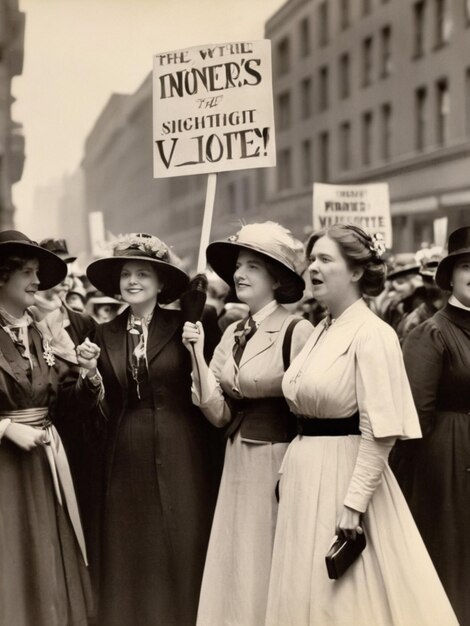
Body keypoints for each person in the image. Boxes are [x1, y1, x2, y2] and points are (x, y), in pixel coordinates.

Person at [265, 224, 458, 626]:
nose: (313, 268)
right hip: (305, 476)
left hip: (345, 476)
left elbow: (381, 430)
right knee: (305, 592)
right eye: (311, 260)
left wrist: (354, 504)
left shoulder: (374, 334)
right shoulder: (321, 329)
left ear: (355, 272)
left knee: (347, 598)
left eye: (325, 260)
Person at [78, 232, 221, 626]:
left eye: (143, 273)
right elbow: (95, 409)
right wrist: (89, 375)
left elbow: (210, 390)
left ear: (161, 283)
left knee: (180, 540)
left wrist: (197, 344)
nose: (133, 281)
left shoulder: (189, 323)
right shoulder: (102, 334)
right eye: (126, 273)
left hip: (181, 447)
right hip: (124, 453)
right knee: (129, 548)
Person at [183, 222, 313, 626]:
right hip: (237, 458)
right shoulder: (232, 331)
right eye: (239, 266)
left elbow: (307, 405)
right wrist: (195, 354)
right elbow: (218, 411)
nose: (239, 274)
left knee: (270, 552)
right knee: (239, 555)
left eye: (253, 266)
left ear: (276, 279)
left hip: (279, 459)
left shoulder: (296, 329)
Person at [0, 230, 101, 626]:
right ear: (1, 277)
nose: (37, 282)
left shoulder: (42, 331)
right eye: (26, 272)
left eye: (37, 272)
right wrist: (5, 428)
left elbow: (66, 404)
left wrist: (89, 374)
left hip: (45, 462)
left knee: (45, 557)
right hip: (7, 469)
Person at [391, 226, 470, 625]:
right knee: (454, 560)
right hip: (448, 463)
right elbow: (413, 418)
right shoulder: (431, 333)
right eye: (468, 266)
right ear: (451, 276)